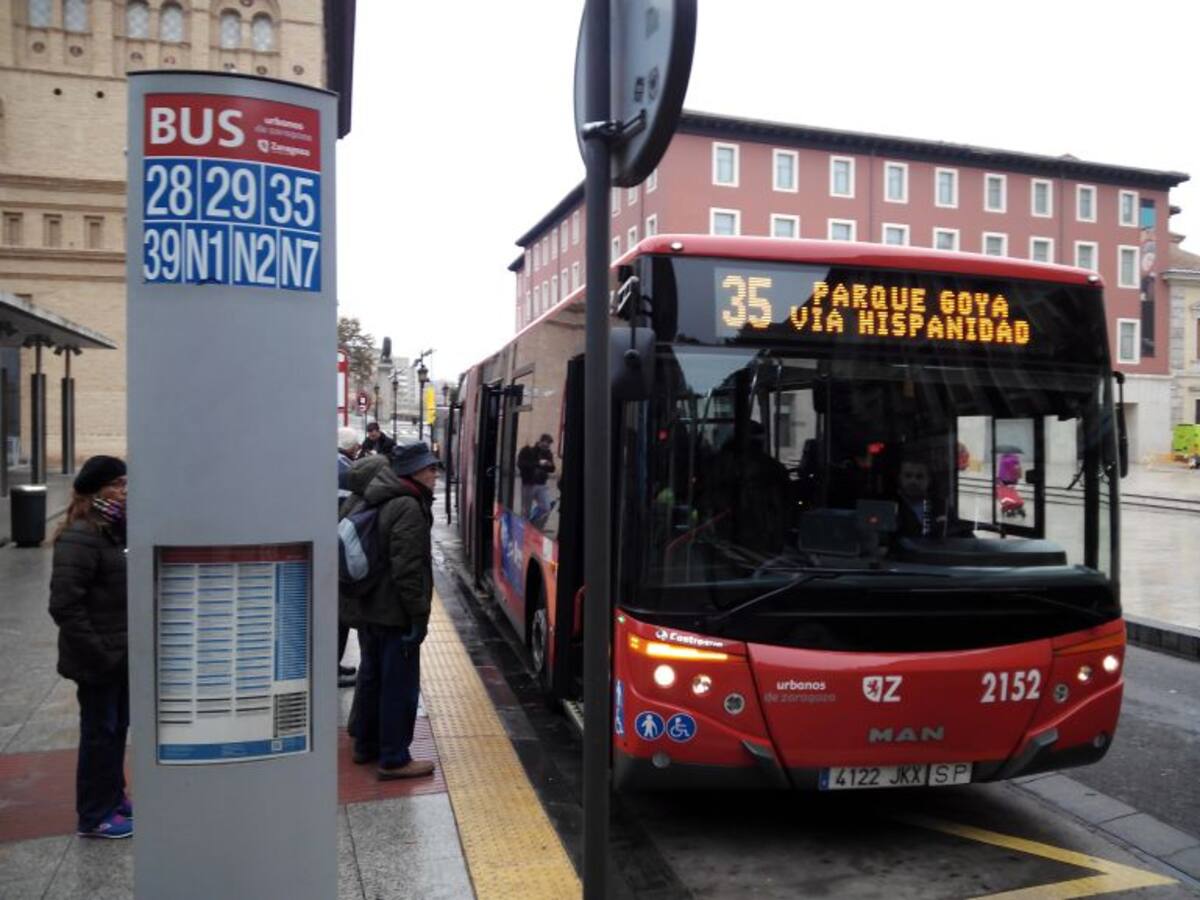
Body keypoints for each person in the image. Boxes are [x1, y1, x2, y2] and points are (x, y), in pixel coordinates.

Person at [339, 443, 439, 779]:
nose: (435, 475)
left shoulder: (370, 495)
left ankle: (365, 746)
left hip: (367, 608)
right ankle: (395, 757)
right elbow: (408, 570)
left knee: (371, 677)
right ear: (413, 472)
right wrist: (418, 618)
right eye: (430, 469)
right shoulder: (407, 506)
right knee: (399, 686)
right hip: (393, 613)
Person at [48, 455, 132, 839]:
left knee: (114, 732)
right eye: (117, 485)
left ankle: (113, 796)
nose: (125, 492)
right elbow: (64, 603)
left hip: (118, 655)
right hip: (99, 659)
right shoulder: (82, 535)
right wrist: (101, 653)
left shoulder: (113, 531)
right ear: (96, 490)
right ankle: (94, 815)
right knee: (99, 734)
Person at [336, 427, 361, 687]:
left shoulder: (332, 462)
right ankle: (333, 668)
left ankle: (333, 664)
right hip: (339, 548)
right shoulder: (345, 470)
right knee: (340, 615)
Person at [516, 434, 556, 522]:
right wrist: (538, 463)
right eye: (546, 444)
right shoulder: (528, 450)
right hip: (528, 484)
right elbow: (521, 464)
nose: (547, 447)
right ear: (541, 442)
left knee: (546, 507)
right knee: (526, 510)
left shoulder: (548, 453)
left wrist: (549, 465)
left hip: (541, 484)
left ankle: (532, 521)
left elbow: (552, 469)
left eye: (549, 445)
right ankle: (525, 526)